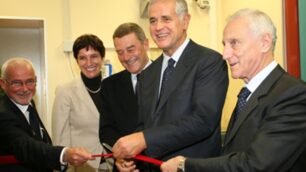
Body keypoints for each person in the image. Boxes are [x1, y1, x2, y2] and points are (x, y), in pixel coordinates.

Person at [160, 8, 306, 172]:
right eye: (224, 45)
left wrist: (185, 165)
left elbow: (256, 165)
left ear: (265, 43)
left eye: (234, 43)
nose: (225, 54)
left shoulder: (293, 94)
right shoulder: (248, 94)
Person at [112, 0, 229, 170]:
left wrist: (144, 139)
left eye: (166, 19)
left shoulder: (209, 62)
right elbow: (144, 125)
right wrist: (130, 156)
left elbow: (203, 120)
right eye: (153, 21)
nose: (158, 27)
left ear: (185, 21)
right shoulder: (148, 73)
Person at [0, 57, 94, 172]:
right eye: (16, 83)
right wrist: (64, 154)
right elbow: (26, 146)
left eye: (30, 81)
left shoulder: (28, 103)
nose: (25, 89)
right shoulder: (3, 114)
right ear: (3, 84)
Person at [99, 22, 151, 171]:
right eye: (120, 52)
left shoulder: (167, 77)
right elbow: (106, 130)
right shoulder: (110, 85)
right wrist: (121, 156)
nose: (126, 57)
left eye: (130, 49)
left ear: (145, 44)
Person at [52, 34, 106, 171]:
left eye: (94, 56)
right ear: (77, 60)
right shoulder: (65, 91)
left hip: (113, 164)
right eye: (82, 58)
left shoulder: (111, 87)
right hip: (83, 166)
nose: (89, 63)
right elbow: (60, 139)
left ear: (102, 58)